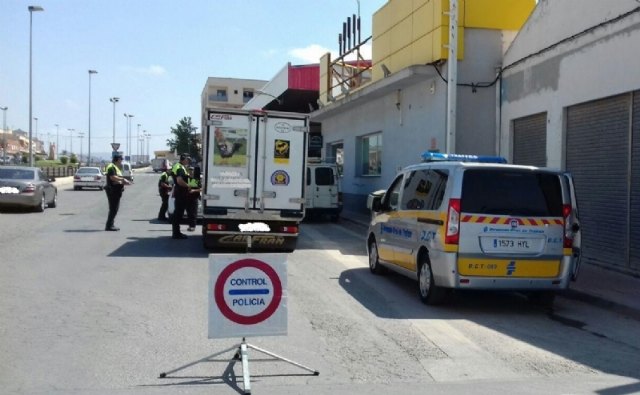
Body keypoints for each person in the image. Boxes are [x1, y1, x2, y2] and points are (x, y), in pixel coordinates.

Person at [104, 154, 131, 231]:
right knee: (113, 209)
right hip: (112, 190)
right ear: (117, 159)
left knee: (114, 209)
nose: (121, 161)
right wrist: (123, 180)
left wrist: (123, 183)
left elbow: (117, 179)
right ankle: (109, 226)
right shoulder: (111, 166)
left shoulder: (116, 167)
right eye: (121, 159)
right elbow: (112, 177)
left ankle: (110, 224)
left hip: (116, 190)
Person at [171, 153, 191, 239]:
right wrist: (188, 186)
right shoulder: (179, 167)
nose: (188, 161)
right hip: (180, 193)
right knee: (178, 214)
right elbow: (179, 180)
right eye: (188, 159)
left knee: (179, 213)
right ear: (184, 159)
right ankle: (176, 233)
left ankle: (177, 232)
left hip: (181, 193)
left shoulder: (181, 167)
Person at [186, 166, 202, 231]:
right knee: (189, 213)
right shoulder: (187, 178)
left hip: (194, 198)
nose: (191, 172)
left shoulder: (196, 179)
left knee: (193, 213)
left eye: (192, 170)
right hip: (187, 198)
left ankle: (193, 226)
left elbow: (200, 189)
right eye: (190, 170)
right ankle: (190, 226)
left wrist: (193, 191)